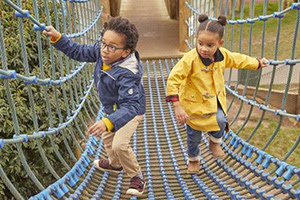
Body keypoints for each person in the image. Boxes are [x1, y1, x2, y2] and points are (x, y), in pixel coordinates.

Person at [43, 17, 146, 196]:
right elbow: (79, 51)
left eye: (112, 47)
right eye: (103, 43)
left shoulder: (128, 73)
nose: (105, 50)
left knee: (119, 145)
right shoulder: (102, 52)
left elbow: (130, 105)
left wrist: (108, 121)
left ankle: (136, 176)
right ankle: (115, 165)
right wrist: (59, 38)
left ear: (125, 52)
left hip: (131, 111)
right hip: (111, 109)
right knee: (107, 140)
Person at [166, 14, 268, 174]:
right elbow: (174, 78)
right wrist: (177, 105)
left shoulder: (223, 55)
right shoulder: (190, 59)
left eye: (209, 45)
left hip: (214, 102)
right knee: (194, 137)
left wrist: (257, 63)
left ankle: (214, 142)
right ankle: (193, 160)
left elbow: (238, 59)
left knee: (221, 120)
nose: (204, 49)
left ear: (220, 44)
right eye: (200, 44)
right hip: (193, 106)